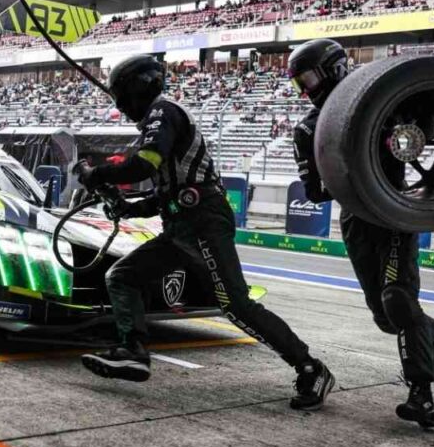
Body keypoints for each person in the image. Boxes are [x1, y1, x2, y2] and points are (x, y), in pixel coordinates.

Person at [74, 55, 335, 412]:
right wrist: (131, 208)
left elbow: (144, 164)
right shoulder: (160, 117)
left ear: (135, 88)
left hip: (204, 220)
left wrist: (96, 175)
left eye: (120, 94)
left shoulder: (163, 112)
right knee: (123, 275)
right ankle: (133, 351)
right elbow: (167, 193)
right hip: (183, 223)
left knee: (235, 304)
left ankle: (311, 368)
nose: (119, 103)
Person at [288, 39, 434, 429]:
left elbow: (430, 129)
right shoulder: (308, 129)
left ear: (333, 69)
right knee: (384, 317)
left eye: (309, 78)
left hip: (394, 212)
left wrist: (405, 122)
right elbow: (314, 192)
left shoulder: (386, 102)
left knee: (397, 300)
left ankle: (421, 396)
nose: (306, 89)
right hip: (356, 220)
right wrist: (353, 176)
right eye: (300, 83)